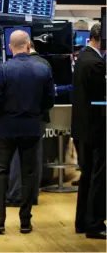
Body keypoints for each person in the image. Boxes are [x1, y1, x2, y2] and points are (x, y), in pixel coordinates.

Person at [0, 30, 54, 234]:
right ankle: (25, 222)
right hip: (31, 129)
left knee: (0, 174)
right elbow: (49, 101)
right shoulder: (43, 69)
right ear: (28, 46)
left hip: (6, 129)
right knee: (29, 175)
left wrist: (1, 118)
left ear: (10, 47)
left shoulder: (3, 69)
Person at [6, 40, 52, 207]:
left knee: (18, 158)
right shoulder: (44, 64)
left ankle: (15, 195)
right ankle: (32, 195)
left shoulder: (11, 66)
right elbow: (50, 97)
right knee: (35, 159)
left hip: (17, 120)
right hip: (38, 119)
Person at [71, 23, 106, 239]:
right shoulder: (96, 63)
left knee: (86, 176)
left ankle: (82, 221)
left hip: (83, 128)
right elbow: (101, 99)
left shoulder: (83, 57)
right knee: (98, 177)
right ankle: (95, 224)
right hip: (97, 129)